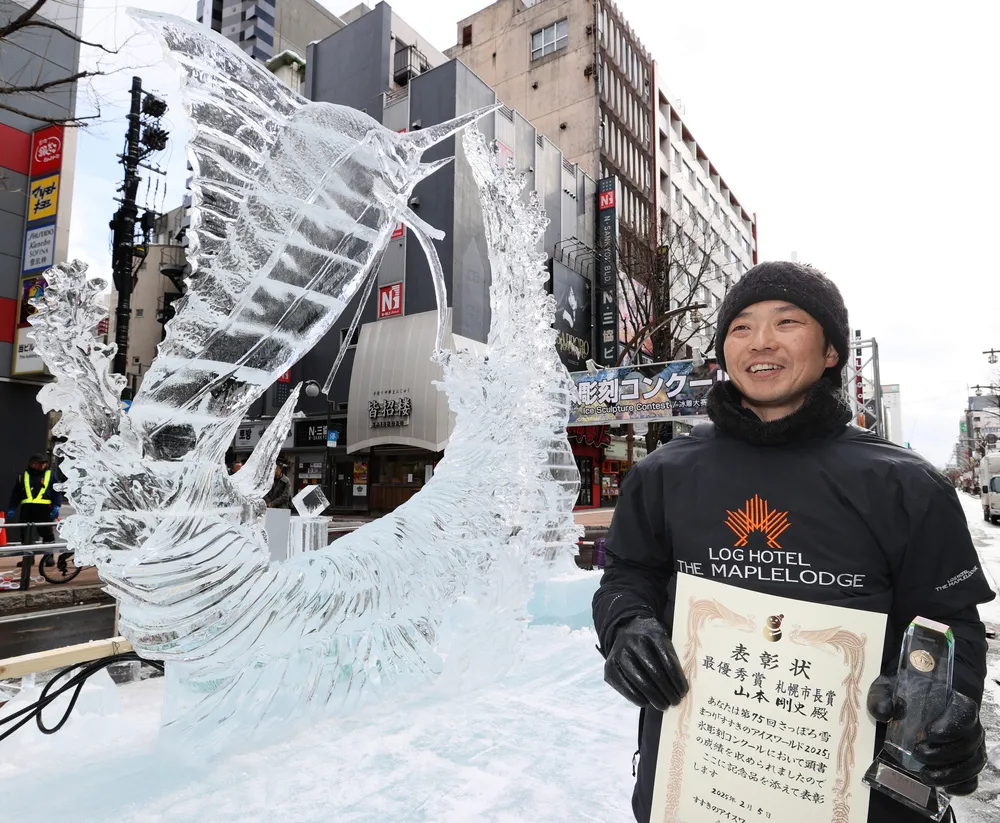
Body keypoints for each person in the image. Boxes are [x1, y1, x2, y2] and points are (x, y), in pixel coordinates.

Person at [593, 262, 995, 823]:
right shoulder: (665, 472)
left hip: (854, 789)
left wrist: (945, 709)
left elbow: (948, 622)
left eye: (787, 322)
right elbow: (629, 573)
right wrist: (624, 626)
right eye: (740, 327)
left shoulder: (902, 483)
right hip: (697, 780)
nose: (761, 341)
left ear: (831, 352)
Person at [7, 453, 61, 543]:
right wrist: (12, 507)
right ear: (33, 464)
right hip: (27, 509)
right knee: (25, 533)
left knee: (46, 533)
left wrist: (56, 506)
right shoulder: (23, 476)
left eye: (44, 463)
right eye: (40, 463)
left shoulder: (50, 475)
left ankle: (48, 556)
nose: (43, 465)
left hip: (44, 509)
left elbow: (56, 492)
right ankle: (27, 555)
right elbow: (16, 493)